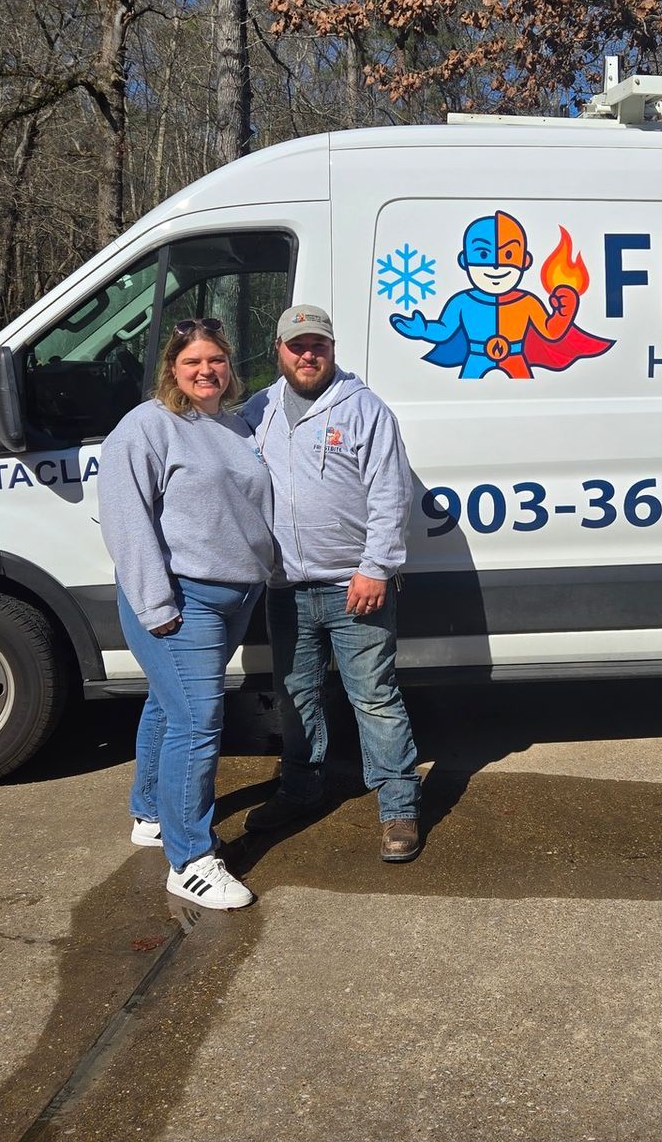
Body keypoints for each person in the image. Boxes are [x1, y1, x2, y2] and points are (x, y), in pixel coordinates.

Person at [99, 317, 274, 910]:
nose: (206, 370)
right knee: (198, 723)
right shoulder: (147, 427)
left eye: (216, 360)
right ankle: (190, 859)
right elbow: (128, 520)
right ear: (171, 368)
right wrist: (156, 604)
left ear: (230, 365)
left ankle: (150, 812)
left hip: (238, 595)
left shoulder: (235, 424)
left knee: (169, 707)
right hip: (181, 599)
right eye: (192, 361)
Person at [241, 304, 423, 861]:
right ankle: (301, 789)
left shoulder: (366, 410)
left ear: (332, 347)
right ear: (279, 350)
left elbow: (392, 495)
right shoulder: (257, 411)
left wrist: (376, 567)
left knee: (373, 696)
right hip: (286, 587)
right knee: (297, 695)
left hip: (355, 586)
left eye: (317, 344)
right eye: (297, 345)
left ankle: (399, 810)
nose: (307, 354)